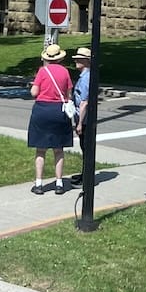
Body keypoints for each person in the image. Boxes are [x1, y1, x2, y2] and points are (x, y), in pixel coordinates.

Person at [27, 43, 73, 195]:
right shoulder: (65, 72)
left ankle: (39, 183)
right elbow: (69, 94)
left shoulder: (42, 71)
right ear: (60, 58)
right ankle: (59, 183)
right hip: (59, 110)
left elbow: (34, 92)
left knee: (40, 150)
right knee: (58, 150)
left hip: (42, 110)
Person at [69, 46, 91, 186]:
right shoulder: (83, 77)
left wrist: (79, 123)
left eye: (79, 59)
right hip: (81, 118)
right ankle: (84, 174)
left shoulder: (86, 78)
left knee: (86, 148)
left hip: (85, 120)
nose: (76, 61)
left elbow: (84, 102)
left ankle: (86, 179)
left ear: (87, 61)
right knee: (84, 148)